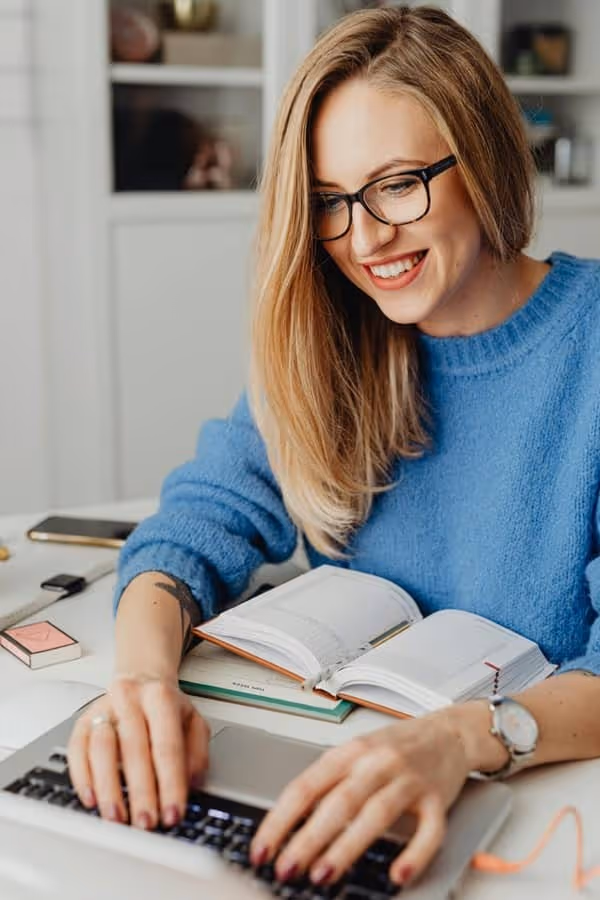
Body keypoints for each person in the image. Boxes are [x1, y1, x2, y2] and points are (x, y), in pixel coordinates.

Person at [68, 4, 600, 891]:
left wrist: (463, 738)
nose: (365, 237)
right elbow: (193, 525)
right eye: (329, 202)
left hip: (539, 807)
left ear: (486, 158)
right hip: (332, 784)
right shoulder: (333, 340)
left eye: (398, 184)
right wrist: (142, 684)